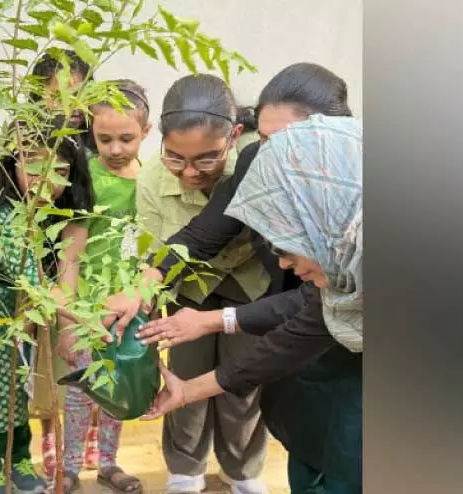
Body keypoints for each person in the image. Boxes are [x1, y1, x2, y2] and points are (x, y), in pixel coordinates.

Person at [108, 63, 362, 494]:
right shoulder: (264, 170)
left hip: (344, 377)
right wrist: (144, 283)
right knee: (306, 437)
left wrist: (214, 324)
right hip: (295, 327)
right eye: (262, 140)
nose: (270, 155)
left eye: (283, 142)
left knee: (347, 453)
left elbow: (303, 323)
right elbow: (208, 232)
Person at [130, 73, 271, 494]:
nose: (189, 172)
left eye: (206, 160)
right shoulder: (152, 179)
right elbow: (152, 252)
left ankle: (243, 470)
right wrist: (144, 308)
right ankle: (185, 470)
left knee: (243, 384)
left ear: (235, 137)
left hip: (251, 286)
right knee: (185, 379)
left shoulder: (257, 162)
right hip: (185, 289)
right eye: (176, 158)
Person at [0, 127, 94, 494]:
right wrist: (82, 320)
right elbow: (33, 283)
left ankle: (18, 459)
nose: (47, 180)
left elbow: (61, 273)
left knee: (19, 393)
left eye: (61, 172)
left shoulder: (49, 212)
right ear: (11, 162)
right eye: (34, 167)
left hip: (24, 318)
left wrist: (64, 321)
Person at [55, 79, 152, 494]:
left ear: (146, 133)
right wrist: (67, 318)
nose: (115, 149)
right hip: (88, 306)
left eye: (126, 138)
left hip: (132, 304)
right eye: (104, 138)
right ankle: (70, 465)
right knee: (80, 390)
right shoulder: (86, 177)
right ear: (91, 133)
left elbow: (150, 248)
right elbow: (70, 254)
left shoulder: (152, 181)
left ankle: (109, 464)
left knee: (118, 383)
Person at [28, 49, 97, 478]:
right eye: (59, 96)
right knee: (39, 366)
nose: (70, 108)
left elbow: (78, 225)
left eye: (80, 96)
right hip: (30, 266)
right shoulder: (23, 141)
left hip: (78, 268)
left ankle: (83, 437)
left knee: (74, 357)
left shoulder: (92, 146)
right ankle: (47, 436)